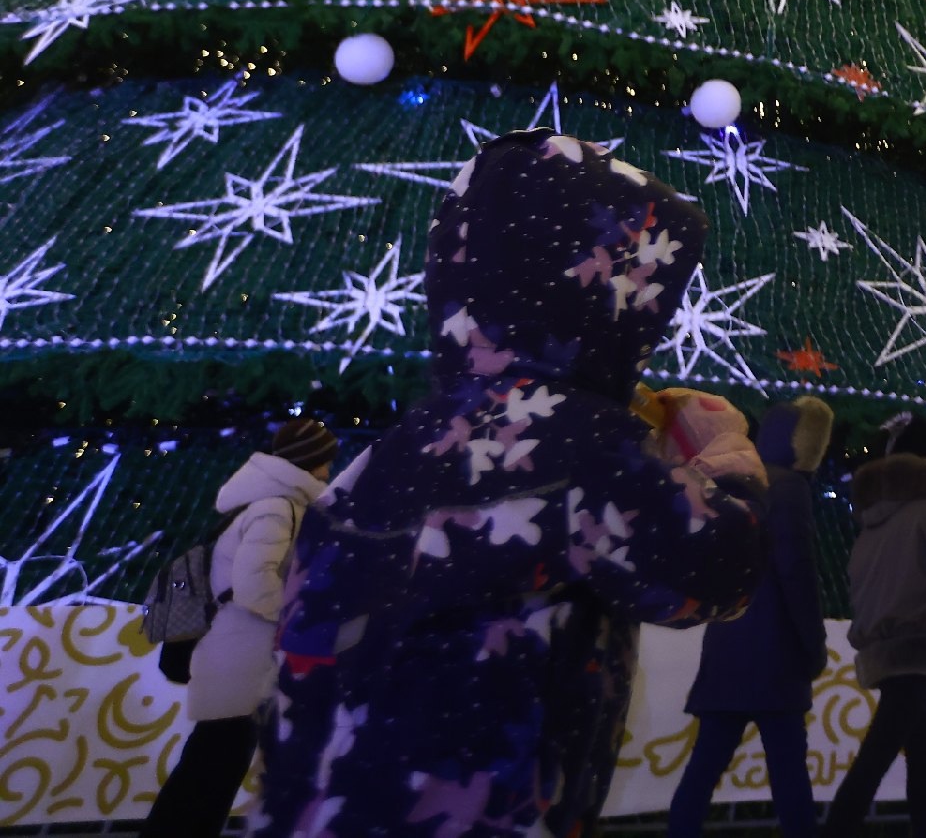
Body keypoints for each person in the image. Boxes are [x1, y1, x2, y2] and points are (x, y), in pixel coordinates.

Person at [252, 131, 769, 838]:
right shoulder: (574, 439)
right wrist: (724, 454)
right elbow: (710, 572)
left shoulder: (401, 446)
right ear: (610, 294)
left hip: (321, 806)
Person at [136, 416, 337, 838]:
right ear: (310, 461)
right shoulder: (276, 508)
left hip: (237, 654)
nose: (330, 469)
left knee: (213, 765)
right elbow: (253, 583)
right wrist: (295, 620)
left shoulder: (273, 503)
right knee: (212, 767)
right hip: (241, 656)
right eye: (325, 459)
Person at [672, 396, 837, 838]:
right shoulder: (791, 489)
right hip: (776, 655)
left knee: (704, 768)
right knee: (789, 776)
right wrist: (813, 646)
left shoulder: (743, 482)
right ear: (810, 444)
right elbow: (796, 570)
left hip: (729, 644)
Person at [823, 410, 926, 838]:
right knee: (876, 759)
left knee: (923, 751)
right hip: (921, 644)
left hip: (885, 647)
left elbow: (860, 585)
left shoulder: (874, 520)